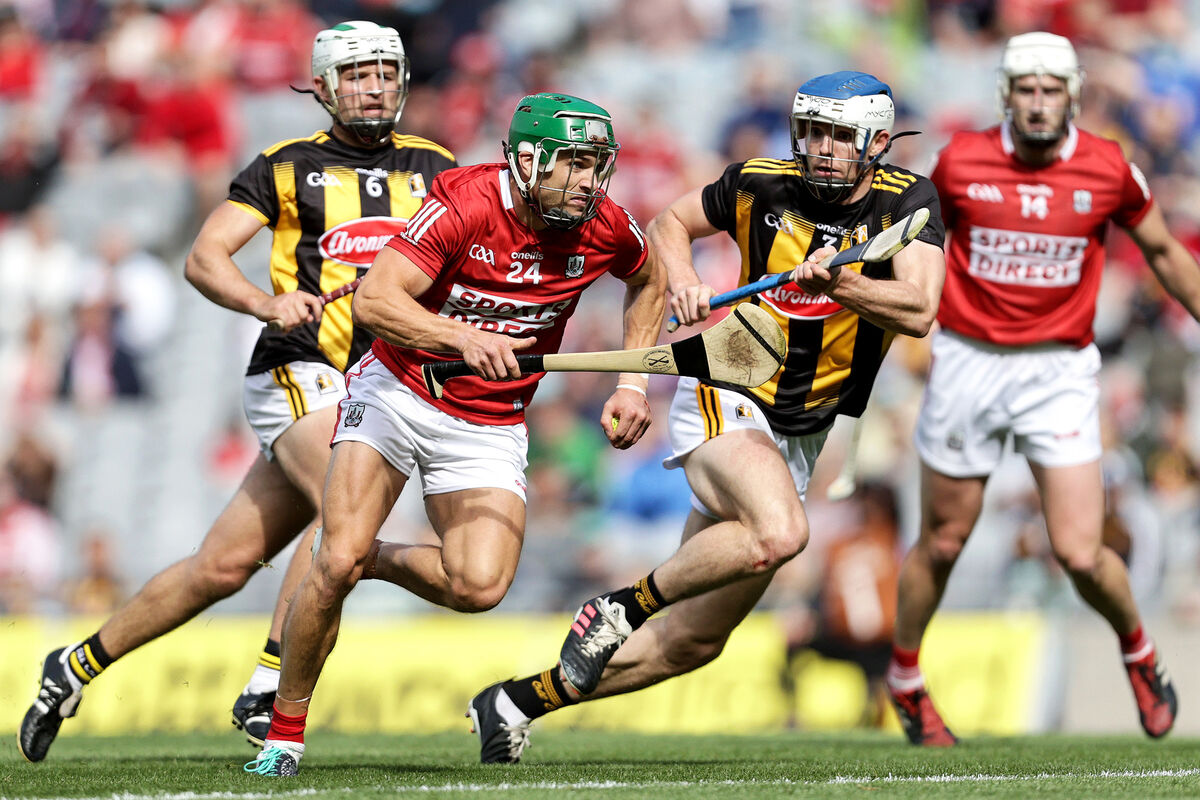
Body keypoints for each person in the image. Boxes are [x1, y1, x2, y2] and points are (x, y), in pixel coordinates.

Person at [463, 70, 946, 764]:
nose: (821, 148)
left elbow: (920, 310)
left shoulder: (910, 200)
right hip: (731, 388)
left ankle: (514, 702)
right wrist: (684, 279)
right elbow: (668, 224)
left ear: (873, 141)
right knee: (780, 533)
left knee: (690, 644)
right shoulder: (758, 182)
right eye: (811, 131)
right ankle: (619, 607)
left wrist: (839, 280)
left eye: (839, 136)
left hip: (803, 431)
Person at [17, 20, 456, 762]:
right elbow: (205, 257)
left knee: (219, 568)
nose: (374, 86)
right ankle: (267, 681)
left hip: (372, 384)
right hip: (298, 365)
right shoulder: (284, 166)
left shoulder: (440, 167)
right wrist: (264, 302)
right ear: (322, 87)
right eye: (357, 74)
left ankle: (74, 665)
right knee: (346, 507)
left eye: (385, 72)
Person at [244, 91, 666, 778]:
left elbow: (649, 280)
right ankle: (283, 733)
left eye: (598, 166)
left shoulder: (606, 226)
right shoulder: (466, 202)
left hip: (490, 420)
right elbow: (378, 300)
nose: (590, 181)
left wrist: (632, 384)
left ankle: (365, 557)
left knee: (478, 585)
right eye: (575, 164)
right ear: (527, 160)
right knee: (334, 564)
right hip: (399, 393)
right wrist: (458, 336)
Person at [886, 31, 1193, 747]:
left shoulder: (1109, 166)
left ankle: (1139, 653)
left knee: (1082, 552)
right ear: (1006, 94)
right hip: (967, 361)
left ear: (1073, 95)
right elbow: (911, 252)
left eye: (1050, 90)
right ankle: (904, 679)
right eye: (1025, 89)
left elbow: (1164, 254)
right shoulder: (958, 160)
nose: (1037, 102)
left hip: (1057, 369)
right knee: (943, 540)